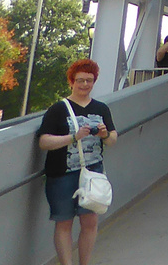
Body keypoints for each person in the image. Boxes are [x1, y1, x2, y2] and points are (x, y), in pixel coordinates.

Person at [37, 59, 117, 265]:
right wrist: (73, 137)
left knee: (90, 221)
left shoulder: (101, 108)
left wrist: (104, 133)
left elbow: (112, 139)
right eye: (80, 80)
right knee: (64, 222)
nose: (85, 85)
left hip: (92, 173)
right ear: (71, 82)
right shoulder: (58, 109)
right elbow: (44, 141)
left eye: (89, 80)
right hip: (62, 174)